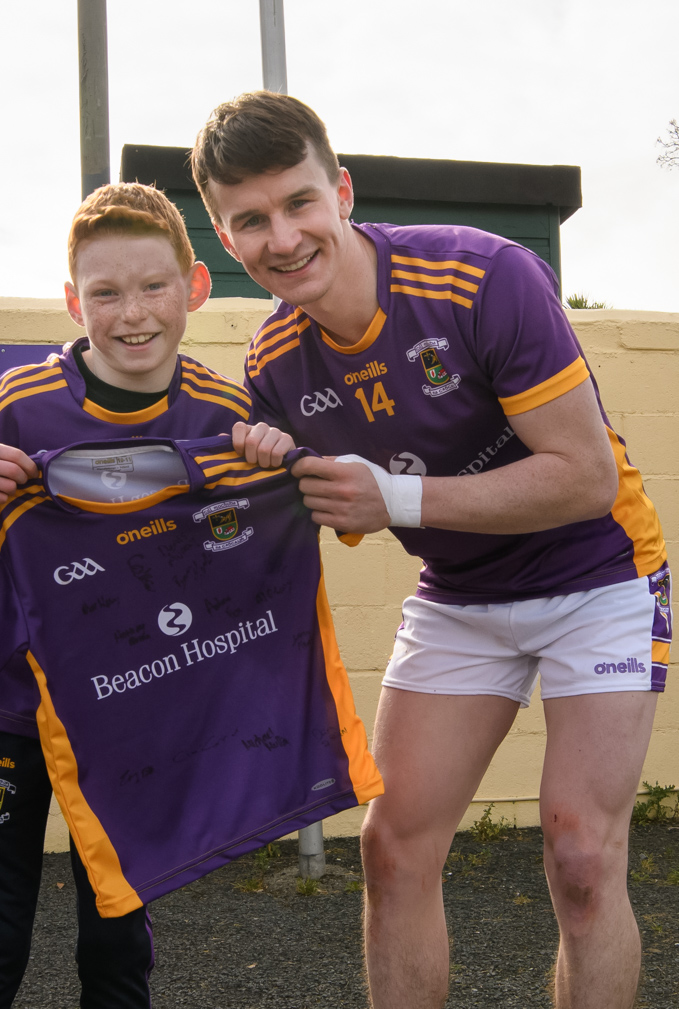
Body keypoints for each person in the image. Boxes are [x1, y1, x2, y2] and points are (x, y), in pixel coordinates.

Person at [190, 91, 672, 1009]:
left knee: (578, 851)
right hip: (458, 589)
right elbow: (332, 513)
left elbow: (581, 478)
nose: (282, 238)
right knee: (392, 845)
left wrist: (392, 494)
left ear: (340, 190)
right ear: (221, 234)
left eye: (297, 203)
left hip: (597, 571)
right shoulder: (274, 360)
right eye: (249, 220)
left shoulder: (484, 275)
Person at [0, 181, 291, 1009]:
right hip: (13, 708)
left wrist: (269, 461)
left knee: (116, 939)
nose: (132, 314)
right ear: (74, 301)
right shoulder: (24, 400)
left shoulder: (222, 411)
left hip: (134, 715)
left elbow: (251, 553)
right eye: (106, 293)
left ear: (192, 287)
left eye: (153, 287)